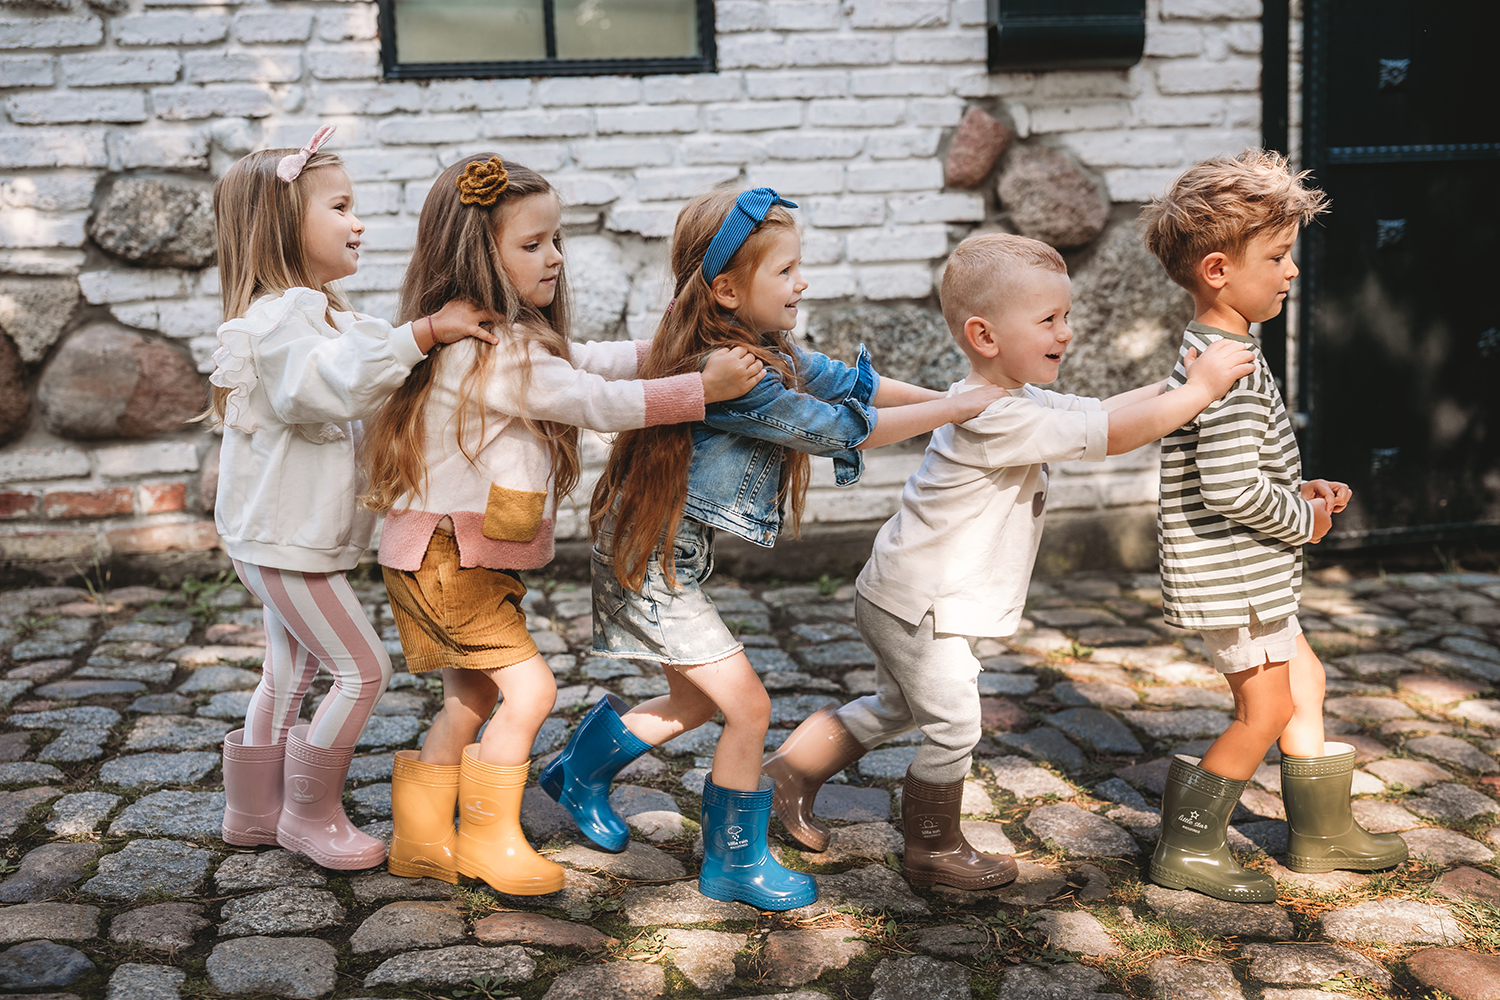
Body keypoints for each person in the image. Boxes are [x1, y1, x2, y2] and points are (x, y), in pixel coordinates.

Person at [540, 188, 1008, 910]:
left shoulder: (766, 349)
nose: (802, 282)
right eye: (786, 270)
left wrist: (957, 395)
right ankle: (733, 860)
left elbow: (849, 384)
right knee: (749, 708)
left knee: (693, 702)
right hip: (648, 565)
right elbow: (835, 428)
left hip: (661, 554)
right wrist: (954, 410)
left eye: (798, 267)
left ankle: (578, 771)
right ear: (728, 291)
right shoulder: (733, 376)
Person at [762, 232, 1257, 890]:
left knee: (896, 706)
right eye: (1049, 320)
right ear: (985, 336)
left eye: (1066, 316)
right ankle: (932, 850)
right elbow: (1111, 436)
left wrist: (1178, 384)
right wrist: (1198, 392)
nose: (1066, 332)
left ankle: (786, 776)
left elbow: (1100, 410)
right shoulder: (995, 415)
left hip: (902, 593)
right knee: (954, 724)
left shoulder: (1014, 397)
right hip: (921, 605)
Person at [362, 156, 764, 895]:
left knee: (470, 699)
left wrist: (665, 354)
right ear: (477, 256)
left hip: (448, 553)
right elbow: (592, 400)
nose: (553, 257)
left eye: (556, 240)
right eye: (531, 244)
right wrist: (698, 388)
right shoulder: (496, 351)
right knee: (531, 692)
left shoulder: (503, 336)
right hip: (450, 557)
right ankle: (488, 841)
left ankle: (421, 840)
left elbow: (586, 362)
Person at [210, 127, 497, 869]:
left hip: (287, 539)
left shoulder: (323, 314)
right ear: (284, 225)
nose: (358, 222)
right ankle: (310, 816)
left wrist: (428, 336)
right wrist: (423, 332)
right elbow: (331, 385)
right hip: (286, 544)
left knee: (289, 671)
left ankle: (252, 812)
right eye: (339, 207)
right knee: (362, 669)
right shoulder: (279, 320)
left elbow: (374, 362)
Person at [1142, 150, 1406, 902]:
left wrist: (1296, 487)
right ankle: (1187, 844)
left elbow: (1241, 466)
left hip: (1250, 574)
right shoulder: (1224, 367)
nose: (1292, 271)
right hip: (1234, 580)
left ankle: (1322, 833)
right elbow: (1228, 488)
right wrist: (1304, 519)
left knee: (1306, 681)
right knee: (1266, 708)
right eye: (1279, 256)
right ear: (1218, 270)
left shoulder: (1225, 352)